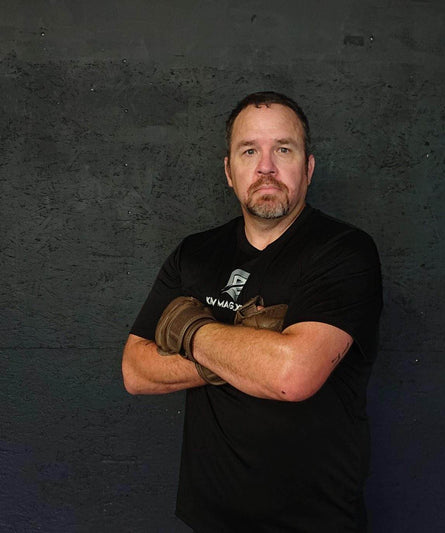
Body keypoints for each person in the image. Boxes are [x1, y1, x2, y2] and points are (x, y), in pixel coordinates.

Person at [122, 91, 382, 532]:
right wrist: (253, 345)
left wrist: (189, 329)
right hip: (209, 519)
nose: (266, 166)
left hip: (315, 521)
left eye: (283, 149)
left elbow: (291, 376)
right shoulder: (195, 254)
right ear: (229, 171)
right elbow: (135, 370)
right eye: (249, 151)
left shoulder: (344, 251)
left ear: (309, 167)